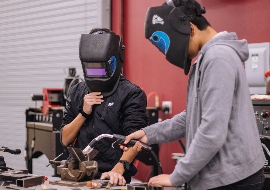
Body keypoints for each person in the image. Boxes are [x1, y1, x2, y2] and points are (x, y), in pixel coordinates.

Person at [123, 0, 266, 189]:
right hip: (226, 176)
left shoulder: (218, 58)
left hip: (233, 180)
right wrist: (149, 134)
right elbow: (192, 116)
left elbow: (212, 131)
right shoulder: (208, 57)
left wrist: (177, 176)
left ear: (190, 28)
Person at [60, 28, 148, 185]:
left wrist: (118, 169)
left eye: (100, 66)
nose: (96, 71)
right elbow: (65, 139)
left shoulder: (132, 94)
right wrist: (83, 113)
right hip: (77, 174)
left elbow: (135, 142)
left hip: (111, 177)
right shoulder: (77, 91)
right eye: (91, 66)